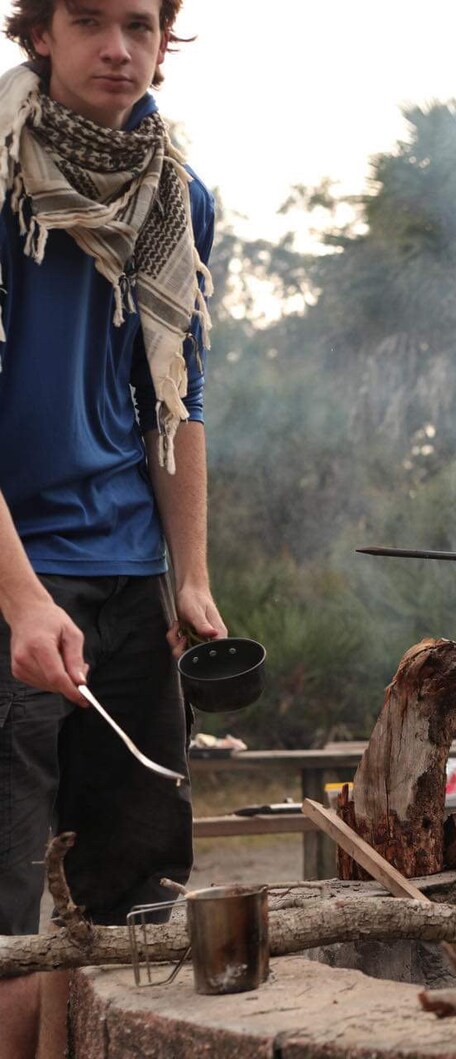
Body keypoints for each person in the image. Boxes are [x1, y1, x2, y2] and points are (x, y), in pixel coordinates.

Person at [0, 2, 222, 1053]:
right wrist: (21, 597)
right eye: (88, 20)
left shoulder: (181, 200)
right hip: (12, 579)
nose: (119, 48)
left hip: (131, 581)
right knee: (6, 921)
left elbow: (178, 405)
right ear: (40, 33)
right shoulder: (1, 182)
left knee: (134, 904)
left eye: (140, 23)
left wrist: (191, 577)